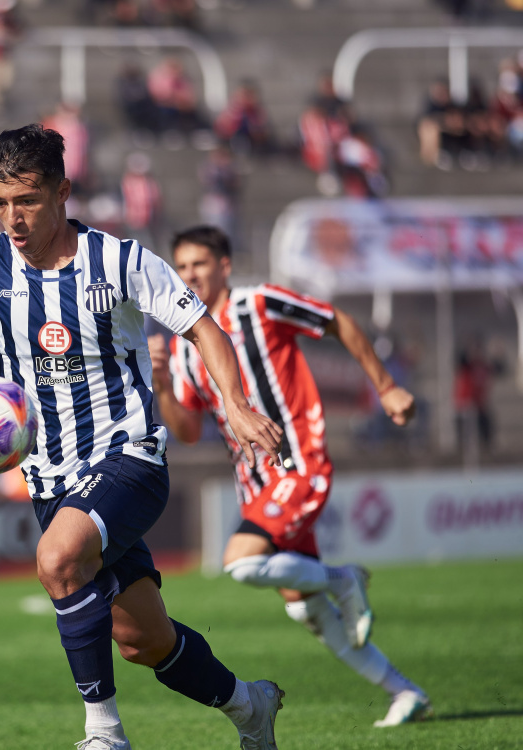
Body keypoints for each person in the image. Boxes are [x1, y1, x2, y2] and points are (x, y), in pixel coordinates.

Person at [0, 124, 287, 750]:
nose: (11, 219)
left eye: (26, 201)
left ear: (62, 192)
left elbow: (205, 329)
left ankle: (104, 734)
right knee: (141, 642)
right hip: (52, 477)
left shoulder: (122, 262)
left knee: (56, 559)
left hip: (128, 457)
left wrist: (233, 407)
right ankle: (249, 706)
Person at [148, 225, 433, 729]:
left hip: (296, 461)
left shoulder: (258, 303)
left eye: (199, 264)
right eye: (183, 267)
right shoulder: (187, 344)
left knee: (239, 562)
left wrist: (386, 387)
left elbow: (336, 320)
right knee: (307, 614)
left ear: (224, 266)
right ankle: (406, 691)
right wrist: (164, 387)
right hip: (255, 484)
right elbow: (189, 432)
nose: (190, 274)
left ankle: (344, 579)